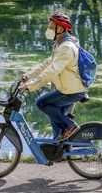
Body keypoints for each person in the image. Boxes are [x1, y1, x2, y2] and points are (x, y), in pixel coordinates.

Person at [21, 13, 87, 141]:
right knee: (55, 117)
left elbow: (51, 71)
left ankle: (70, 126)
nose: (48, 30)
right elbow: (46, 64)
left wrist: (30, 86)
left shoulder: (66, 47)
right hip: (67, 89)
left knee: (42, 103)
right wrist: (28, 77)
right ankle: (59, 150)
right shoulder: (60, 45)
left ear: (61, 29)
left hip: (71, 91)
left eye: (51, 27)